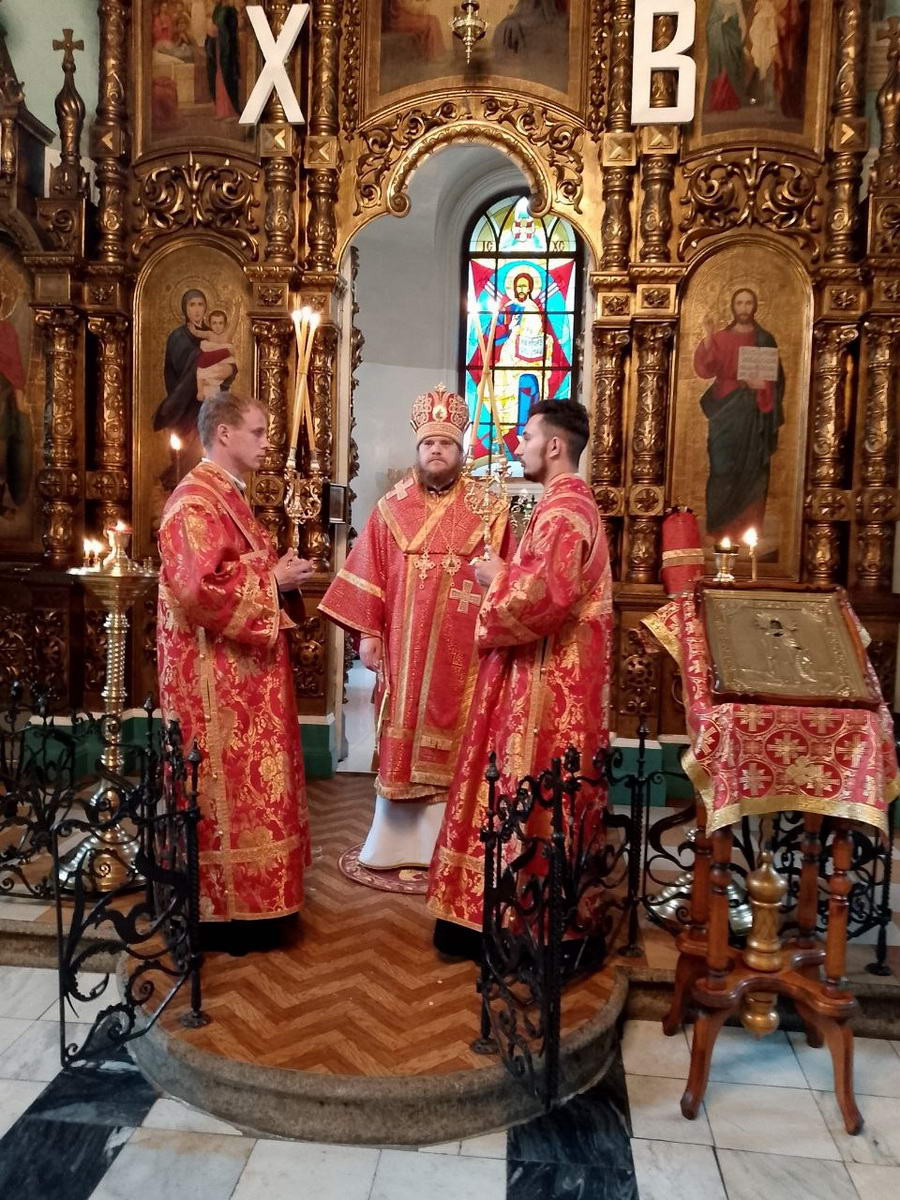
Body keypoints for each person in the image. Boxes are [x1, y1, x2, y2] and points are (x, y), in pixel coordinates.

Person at [427, 398, 613, 955]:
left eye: (527, 436)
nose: (519, 445)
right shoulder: (566, 504)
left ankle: (522, 924)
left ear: (554, 445)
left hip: (548, 681)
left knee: (529, 795)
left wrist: (497, 577)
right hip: (550, 673)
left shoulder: (563, 511)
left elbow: (544, 598)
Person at [319, 384, 512, 871]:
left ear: (460, 449)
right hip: (403, 646)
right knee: (400, 730)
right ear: (418, 448)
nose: (436, 450)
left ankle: (449, 844)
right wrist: (368, 633)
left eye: (445, 443)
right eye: (428, 443)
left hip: (464, 652)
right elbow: (369, 572)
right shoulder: (391, 508)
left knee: (460, 729)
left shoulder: (490, 509)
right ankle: (392, 842)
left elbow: (506, 577)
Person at [157, 390, 314, 955]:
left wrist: (273, 573)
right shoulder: (194, 503)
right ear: (223, 434)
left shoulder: (228, 496)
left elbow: (233, 570)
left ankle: (257, 902)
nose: (267, 443)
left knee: (256, 792)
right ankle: (225, 911)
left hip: (242, 680)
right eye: (258, 431)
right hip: (214, 686)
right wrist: (273, 581)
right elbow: (198, 588)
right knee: (224, 793)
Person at [693, 287, 784, 541]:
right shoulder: (720, 338)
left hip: (753, 414)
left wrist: (763, 386)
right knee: (721, 466)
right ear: (733, 307)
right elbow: (705, 369)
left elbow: (777, 379)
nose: (744, 308)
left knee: (752, 469)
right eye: (740, 303)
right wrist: (708, 338)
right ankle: (719, 527)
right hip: (724, 409)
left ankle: (747, 529)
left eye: (748, 303)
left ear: (755, 307)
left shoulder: (765, 339)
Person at [196, 308, 238, 400]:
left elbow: (234, 324)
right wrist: (192, 329)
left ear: (225, 325)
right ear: (210, 324)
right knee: (201, 372)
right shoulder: (209, 334)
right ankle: (201, 391)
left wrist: (237, 309)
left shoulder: (227, 336)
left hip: (224, 363)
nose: (217, 326)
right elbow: (198, 333)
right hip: (209, 363)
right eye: (214, 323)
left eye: (220, 323)